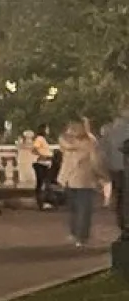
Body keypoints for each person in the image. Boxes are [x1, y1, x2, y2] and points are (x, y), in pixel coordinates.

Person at [58, 117, 108, 248]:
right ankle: (82, 236)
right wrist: (102, 176)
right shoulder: (89, 143)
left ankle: (74, 233)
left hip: (69, 179)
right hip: (85, 179)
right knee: (84, 210)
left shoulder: (66, 143)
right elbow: (95, 162)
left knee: (73, 209)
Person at [99, 106, 129, 232]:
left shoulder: (108, 129)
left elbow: (103, 149)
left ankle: (122, 221)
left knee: (119, 195)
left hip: (114, 166)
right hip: (125, 165)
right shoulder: (125, 128)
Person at [31, 126, 54, 209]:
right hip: (41, 163)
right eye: (47, 129)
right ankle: (41, 203)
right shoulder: (39, 139)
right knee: (41, 183)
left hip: (46, 163)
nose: (48, 130)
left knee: (44, 183)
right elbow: (34, 149)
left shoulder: (43, 139)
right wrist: (42, 155)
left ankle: (45, 202)